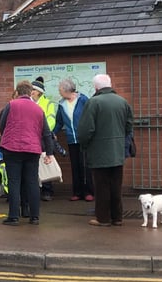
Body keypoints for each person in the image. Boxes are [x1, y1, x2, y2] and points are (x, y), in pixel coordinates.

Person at [77, 74, 134, 227]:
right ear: (110, 84)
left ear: (96, 87)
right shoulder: (123, 102)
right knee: (116, 185)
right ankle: (117, 217)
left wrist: (84, 144)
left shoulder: (93, 102)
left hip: (99, 151)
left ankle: (103, 218)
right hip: (118, 151)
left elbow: (85, 130)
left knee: (101, 186)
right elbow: (129, 126)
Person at [0, 80, 55, 226]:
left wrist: (7, 138)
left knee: (14, 182)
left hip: (12, 149)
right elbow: (46, 133)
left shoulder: (11, 105)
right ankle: (34, 216)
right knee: (32, 182)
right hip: (32, 149)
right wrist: (49, 153)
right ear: (30, 92)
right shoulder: (38, 109)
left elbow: (2, 124)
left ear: (18, 92)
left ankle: (13, 216)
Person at [54, 78, 93, 202]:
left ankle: (88, 192)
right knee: (75, 166)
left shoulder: (83, 100)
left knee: (85, 166)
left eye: (60, 90)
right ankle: (77, 192)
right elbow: (59, 122)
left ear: (67, 90)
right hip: (71, 139)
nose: (59, 92)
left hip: (84, 138)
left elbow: (90, 117)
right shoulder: (61, 104)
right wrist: (53, 133)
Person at [31, 77, 60, 202]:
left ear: (39, 92)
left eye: (34, 89)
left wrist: (39, 128)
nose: (31, 91)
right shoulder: (29, 102)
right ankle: (34, 189)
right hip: (31, 137)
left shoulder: (48, 104)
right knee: (32, 164)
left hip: (43, 138)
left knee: (45, 162)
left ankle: (47, 191)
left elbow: (51, 121)